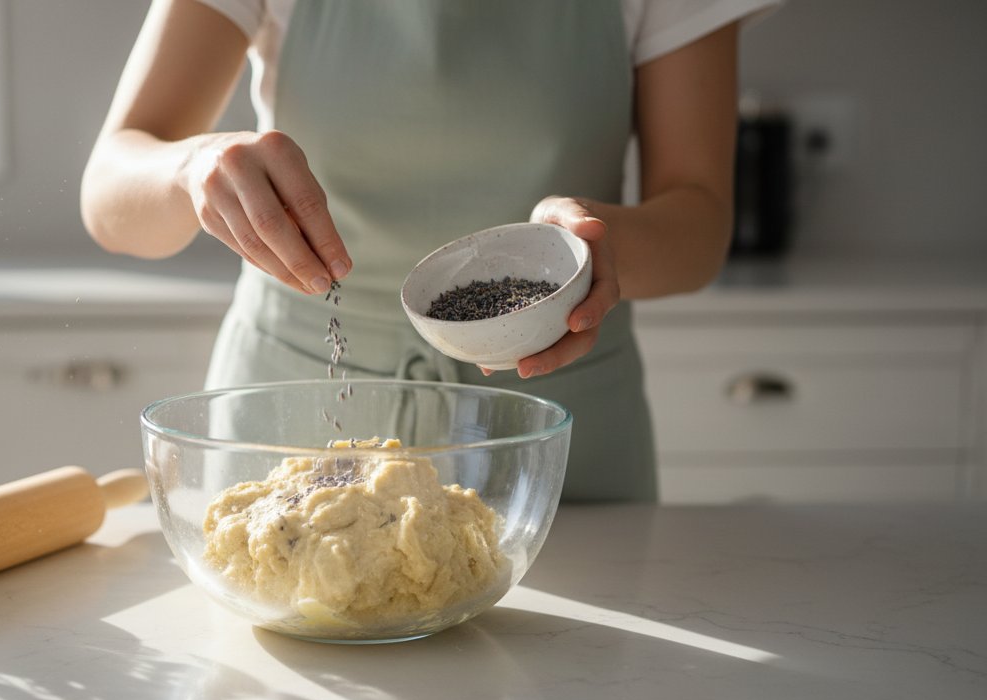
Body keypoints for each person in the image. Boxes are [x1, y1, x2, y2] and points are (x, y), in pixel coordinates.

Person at [80, 0, 782, 502]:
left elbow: (700, 222)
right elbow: (109, 190)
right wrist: (191, 167)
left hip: (552, 442)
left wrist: (604, 246)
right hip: (294, 423)